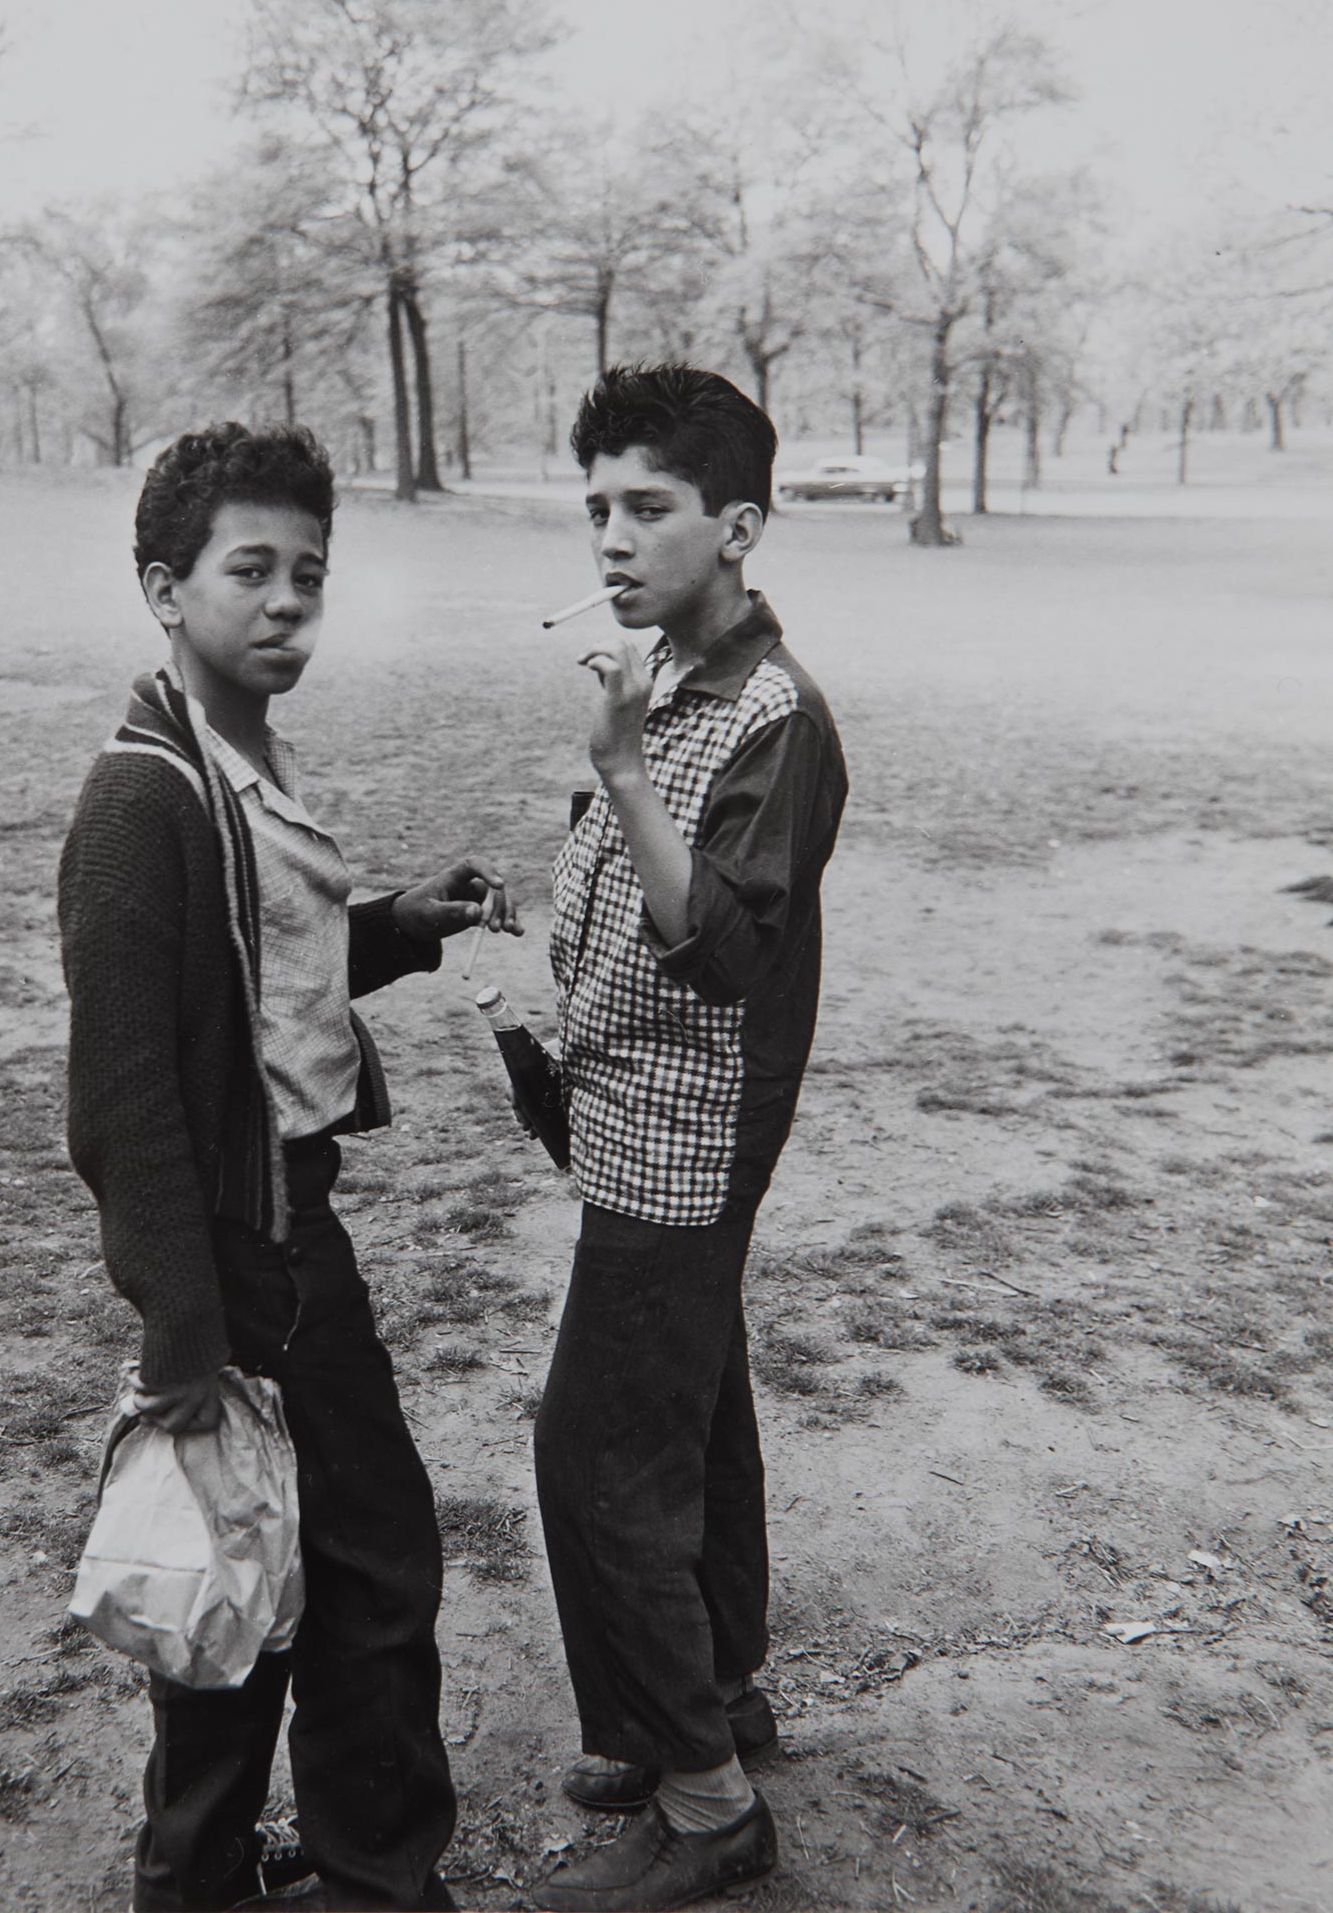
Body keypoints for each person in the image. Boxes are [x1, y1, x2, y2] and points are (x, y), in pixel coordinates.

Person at [58, 422, 521, 1913]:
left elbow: (265, 990)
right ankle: (375, 1876)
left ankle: (204, 1879)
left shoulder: (236, 758)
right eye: (247, 569)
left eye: (308, 574)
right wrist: (186, 1330)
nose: (283, 602)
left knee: (253, 1564)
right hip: (249, 1252)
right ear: (162, 585)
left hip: (278, 1226)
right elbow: (126, 1102)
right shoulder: (143, 800)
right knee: (360, 1566)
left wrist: (399, 917)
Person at [533, 365, 849, 1911]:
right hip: (638, 1109)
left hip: (696, 1123)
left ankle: (709, 1805)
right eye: (596, 506)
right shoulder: (674, 673)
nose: (610, 536)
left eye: (645, 507)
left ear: (737, 524)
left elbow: (720, 945)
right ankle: (714, 1699)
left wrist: (616, 769)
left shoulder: (777, 717)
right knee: (693, 1411)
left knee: (599, 1452)